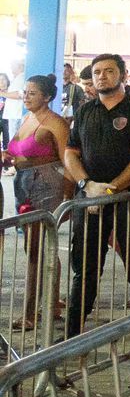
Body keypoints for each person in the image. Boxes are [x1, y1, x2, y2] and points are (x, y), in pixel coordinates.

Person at [62, 53, 130, 340]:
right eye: (97, 72)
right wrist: (86, 184)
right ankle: (72, 335)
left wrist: (111, 190)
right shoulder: (84, 111)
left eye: (108, 71)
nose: (101, 76)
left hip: (128, 200)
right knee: (85, 269)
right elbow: (70, 153)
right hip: (89, 200)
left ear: (123, 75)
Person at [4, 75, 70, 330]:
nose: (26, 96)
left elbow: (68, 160)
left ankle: (30, 312)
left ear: (47, 97)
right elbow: (16, 152)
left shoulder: (56, 123)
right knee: (39, 247)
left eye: (32, 93)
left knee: (34, 248)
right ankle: (52, 302)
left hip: (47, 185)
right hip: (23, 184)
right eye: (25, 92)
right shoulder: (26, 119)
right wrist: (7, 156)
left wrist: (68, 196)